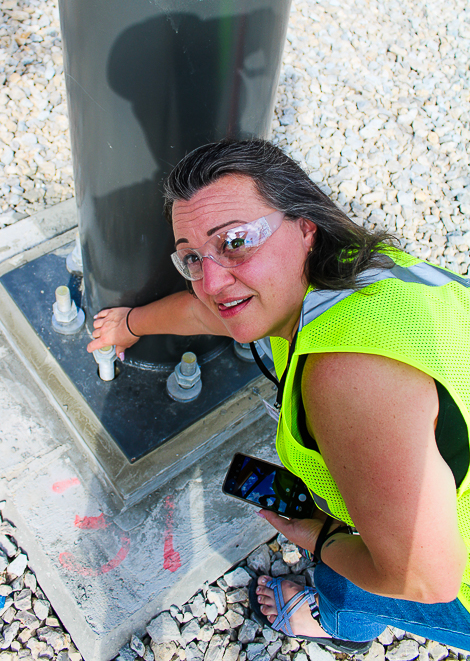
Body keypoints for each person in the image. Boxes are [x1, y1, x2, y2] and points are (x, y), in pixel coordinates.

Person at [87, 138, 470, 652]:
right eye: (192, 259)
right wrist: (132, 324)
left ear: (304, 225)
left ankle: (337, 628)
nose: (214, 281)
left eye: (236, 241)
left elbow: (424, 579)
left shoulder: (346, 379)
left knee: (346, 577)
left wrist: (319, 538)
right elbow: (211, 310)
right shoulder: (349, 269)